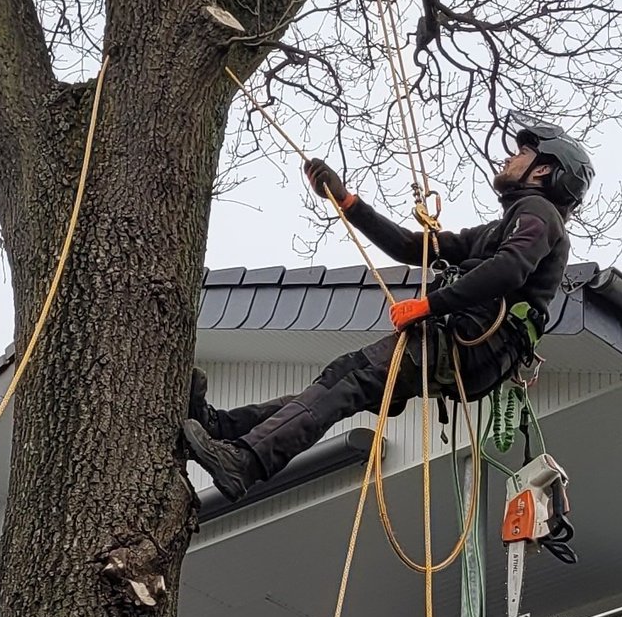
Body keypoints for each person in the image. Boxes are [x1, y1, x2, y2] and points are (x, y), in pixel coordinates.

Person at [182, 121, 593, 501]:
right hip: (469, 347)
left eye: (521, 154)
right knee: (340, 384)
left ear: (542, 170)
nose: (509, 159)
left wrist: (429, 305)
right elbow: (414, 247)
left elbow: (509, 268)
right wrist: (348, 203)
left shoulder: (539, 214)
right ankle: (225, 430)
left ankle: (246, 461)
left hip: (473, 342)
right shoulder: (497, 227)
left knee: (351, 375)